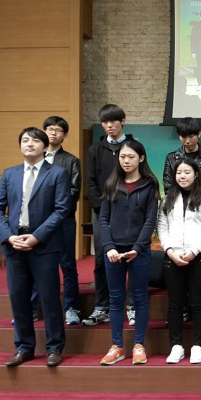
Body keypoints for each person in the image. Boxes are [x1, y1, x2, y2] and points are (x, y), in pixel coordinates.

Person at [0, 127, 70, 367]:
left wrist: (36, 236)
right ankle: (24, 347)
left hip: (43, 245)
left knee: (49, 298)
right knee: (18, 298)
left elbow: (61, 210)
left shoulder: (57, 173)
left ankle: (54, 348)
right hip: (15, 245)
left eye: (35, 140)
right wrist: (8, 237)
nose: (29, 144)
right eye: (25, 140)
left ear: (45, 147)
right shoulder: (10, 174)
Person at [98, 140, 159, 365]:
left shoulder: (150, 184)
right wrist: (109, 247)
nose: (126, 161)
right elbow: (103, 219)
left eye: (131, 157)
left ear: (141, 158)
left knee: (140, 298)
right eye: (123, 157)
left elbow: (150, 220)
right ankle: (117, 346)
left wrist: (138, 247)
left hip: (139, 250)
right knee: (116, 299)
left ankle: (138, 345)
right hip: (113, 251)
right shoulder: (111, 183)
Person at [162, 117, 201, 325]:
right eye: (183, 136)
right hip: (178, 217)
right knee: (180, 263)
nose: (187, 140)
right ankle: (184, 307)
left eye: (191, 136)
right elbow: (168, 186)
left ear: (199, 135)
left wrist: (198, 204)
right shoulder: (172, 157)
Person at [158, 158, 201, 364]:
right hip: (173, 257)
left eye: (187, 172)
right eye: (179, 173)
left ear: (196, 175)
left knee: (198, 302)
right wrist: (169, 250)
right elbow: (162, 227)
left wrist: (194, 251)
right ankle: (176, 346)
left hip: (198, 257)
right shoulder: (168, 199)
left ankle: (198, 346)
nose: (182, 176)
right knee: (175, 304)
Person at [84, 104, 136, 327]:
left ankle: (132, 307)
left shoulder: (133, 146)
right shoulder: (95, 150)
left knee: (133, 259)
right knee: (101, 259)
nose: (109, 125)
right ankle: (101, 307)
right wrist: (102, 209)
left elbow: (139, 178)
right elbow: (90, 183)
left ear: (122, 121)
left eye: (113, 121)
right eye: (105, 122)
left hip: (130, 213)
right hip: (102, 214)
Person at [41, 116, 82, 326]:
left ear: (65, 135)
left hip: (63, 220)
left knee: (67, 264)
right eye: (50, 129)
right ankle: (36, 308)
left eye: (58, 130)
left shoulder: (71, 161)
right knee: (39, 265)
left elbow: (73, 192)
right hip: (38, 222)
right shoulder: (36, 159)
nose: (53, 133)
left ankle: (71, 308)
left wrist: (55, 210)